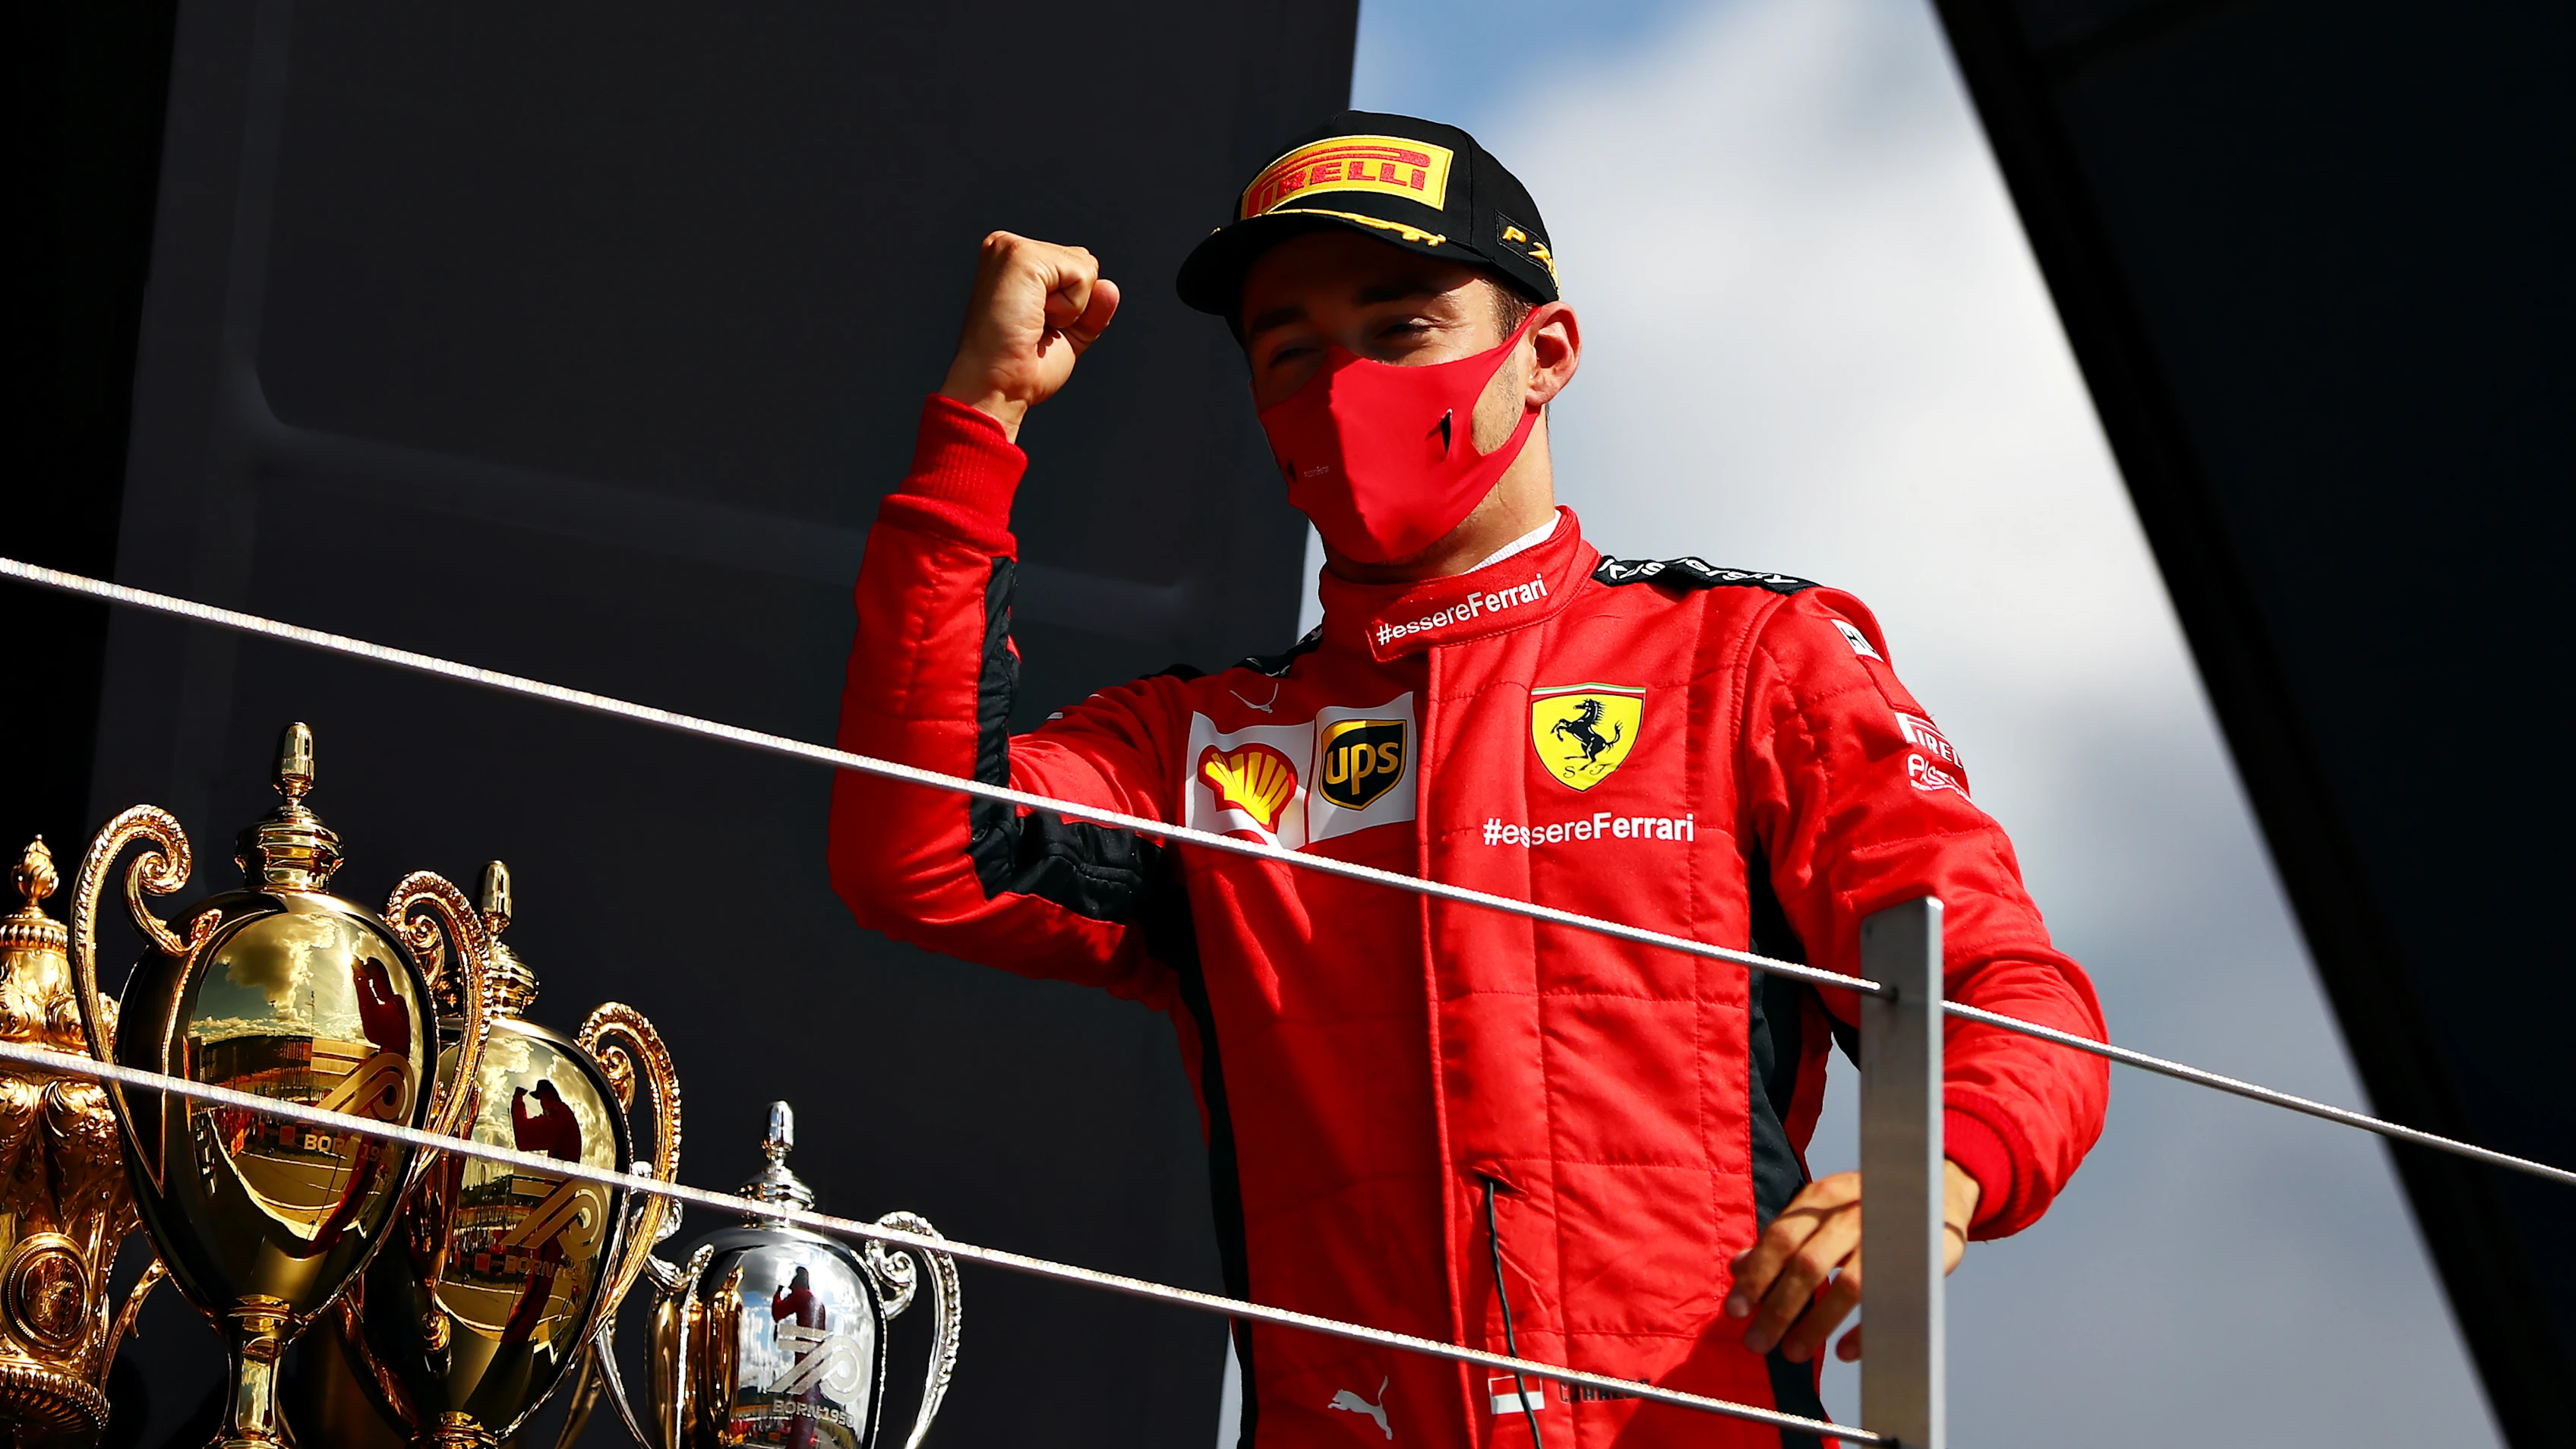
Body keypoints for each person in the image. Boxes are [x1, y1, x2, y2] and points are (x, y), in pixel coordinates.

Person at [829, 111, 2108, 1447]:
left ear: (1543, 352)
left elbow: (2009, 988)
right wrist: (981, 422)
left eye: (1398, 331)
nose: (1343, 384)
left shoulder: (1746, 661)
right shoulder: (1193, 744)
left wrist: (1939, 1169)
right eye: (1291, 351)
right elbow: (916, 854)